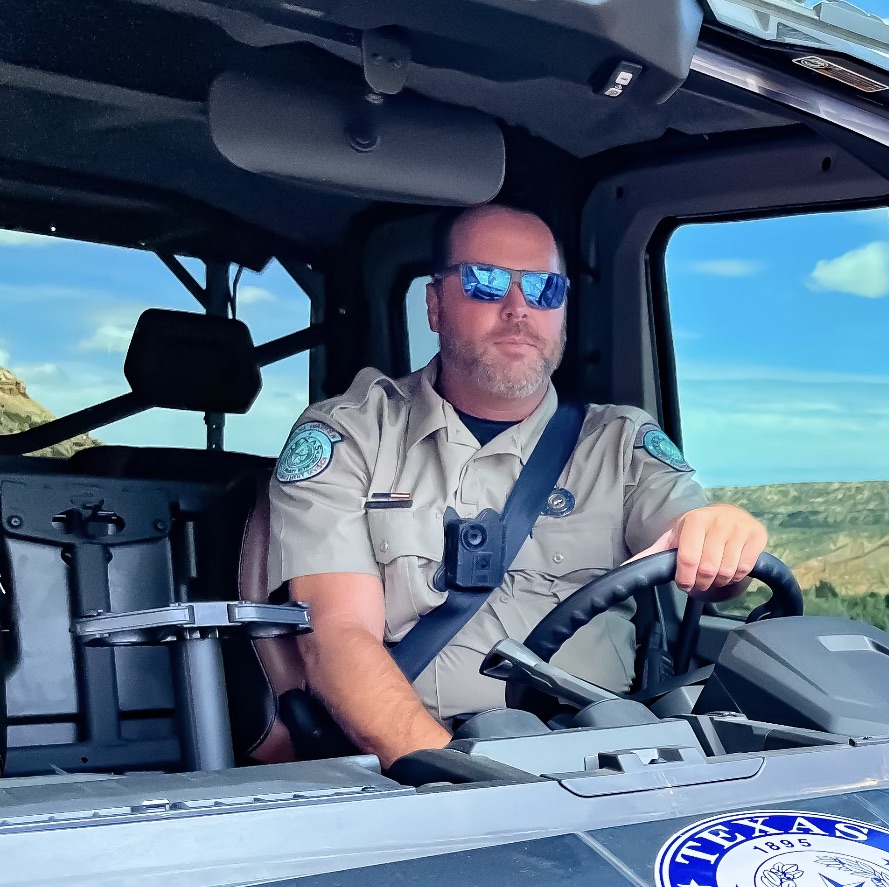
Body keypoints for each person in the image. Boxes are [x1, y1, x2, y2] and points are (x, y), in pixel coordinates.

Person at [267, 203, 766, 766]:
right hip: (430, 761)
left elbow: (703, 559)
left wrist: (721, 537)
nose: (518, 308)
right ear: (434, 305)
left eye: (544, 290)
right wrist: (457, 778)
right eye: (485, 283)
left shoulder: (622, 442)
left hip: (611, 753)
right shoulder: (351, 435)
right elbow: (337, 634)